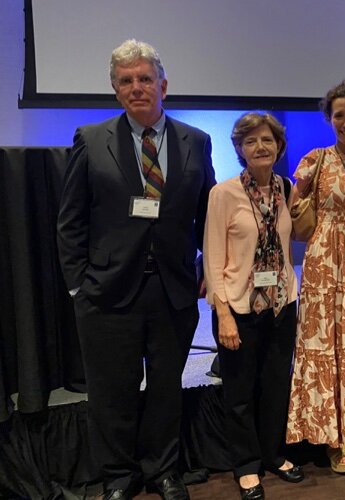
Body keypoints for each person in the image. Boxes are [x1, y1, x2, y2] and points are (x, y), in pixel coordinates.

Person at [57, 40, 215, 500]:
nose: (136, 88)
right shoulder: (90, 139)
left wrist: (207, 266)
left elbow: (206, 214)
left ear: (163, 86)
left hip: (173, 290)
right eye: (126, 81)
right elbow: (70, 221)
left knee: (167, 387)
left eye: (145, 79)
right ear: (115, 89)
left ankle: (163, 471)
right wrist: (76, 287)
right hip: (106, 292)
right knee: (113, 392)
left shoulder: (196, 141)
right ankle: (119, 476)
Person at [203, 113, 303, 500]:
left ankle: (273, 454)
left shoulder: (285, 187)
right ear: (240, 150)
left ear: (278, 146)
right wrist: (223, 313)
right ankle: (246, 466)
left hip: (280, 305)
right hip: (239, 309)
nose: (260, 147)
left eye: (267, 140)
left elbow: (291, 240)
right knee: (240, 391)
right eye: (251, 142)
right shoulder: (223, 194)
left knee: (276, 385)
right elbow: (213, 258)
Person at [286, 79, 345, 474]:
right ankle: (332, 438)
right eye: (339, 115)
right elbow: (291, 207)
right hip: (326, 264)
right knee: (328, 350)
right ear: (329, 118)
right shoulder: (315, 160)